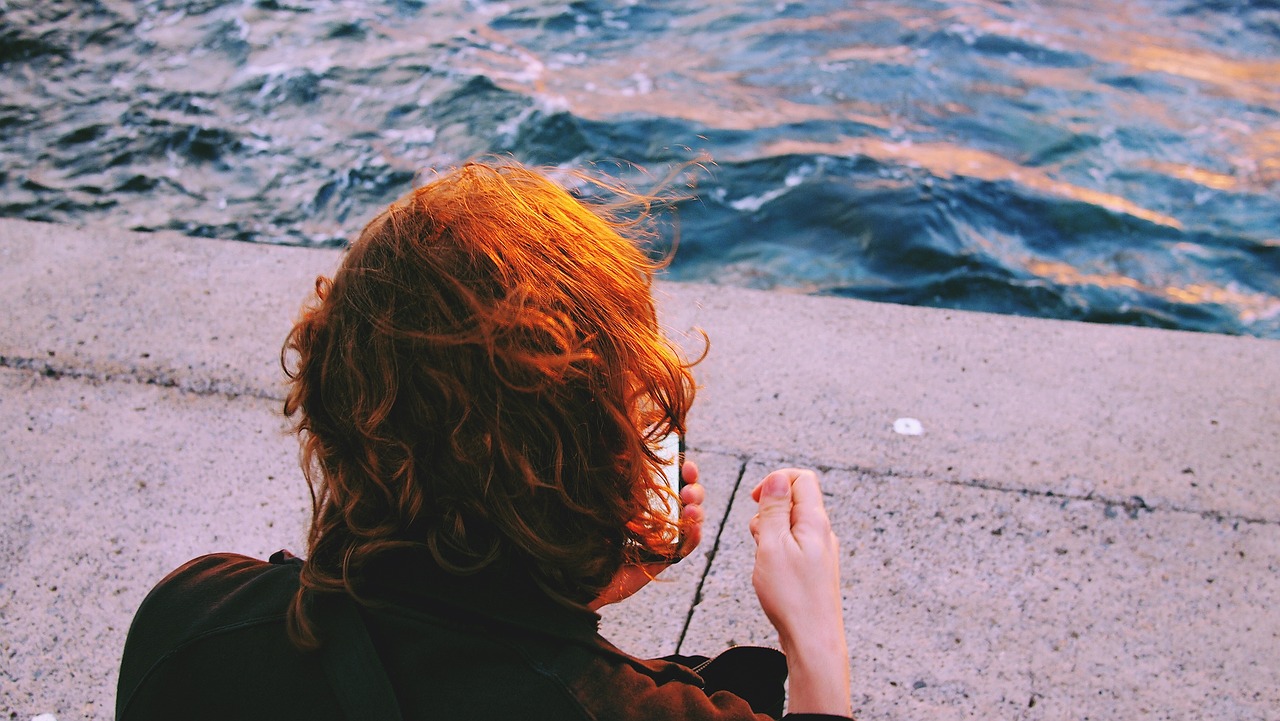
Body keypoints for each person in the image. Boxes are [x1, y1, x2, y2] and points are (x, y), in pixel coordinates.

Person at [116, 161, 852, 720]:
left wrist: (584, 574)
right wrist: (813, 635)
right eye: (631, 420)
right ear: (589, 461)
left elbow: (441, 630)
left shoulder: (188, 621)